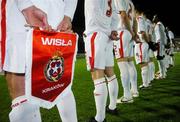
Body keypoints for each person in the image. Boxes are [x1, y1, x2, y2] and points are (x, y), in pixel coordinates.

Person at [1, 0, 77, 121]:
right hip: (55, 13)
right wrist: (67, 15)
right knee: (59, 82)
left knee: (23, 97)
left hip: (21, 13)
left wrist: (25, 5)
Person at [84, 0, 119, 121]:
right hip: (107, 37)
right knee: (110, 73)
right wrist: (112, 30)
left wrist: (105, 29)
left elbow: (94, 9)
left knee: (97, 75)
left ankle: (100, 118)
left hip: (96, 33)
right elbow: (114, 13)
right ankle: (113, 106)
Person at [113, 0, 138, 104]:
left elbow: (123, 16)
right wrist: (134, 33)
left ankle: (127, 96)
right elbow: (135, 21)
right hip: (128, 33)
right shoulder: (131, 2)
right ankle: (134, 90)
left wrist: (132, 32)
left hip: (122, 32)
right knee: (130, 63)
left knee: (122, 63)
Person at [135, 10, 150, 89]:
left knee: (143, 64)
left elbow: (142, 33)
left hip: (141, 43)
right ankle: (146, 83)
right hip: (144, 44)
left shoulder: (139, 19)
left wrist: (147, 41)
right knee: (145, 64)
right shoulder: (143, 20)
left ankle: (145, 84)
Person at [152, 15, 167, 79]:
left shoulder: (158, 25)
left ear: (157, 18)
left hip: (159, 43)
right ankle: (163, 73)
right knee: (161, 59)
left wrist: (157, 43)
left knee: (160, 59)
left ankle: (162, 75)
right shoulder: (159, 24)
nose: (153, 18)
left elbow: (160, 35)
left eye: (154, 17)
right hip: (161, 43)